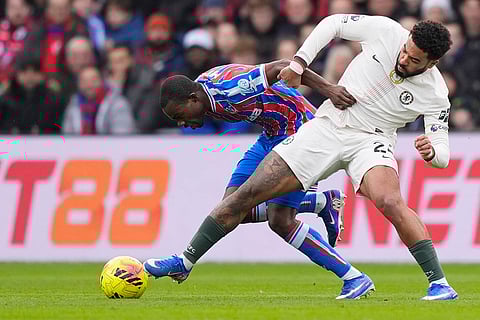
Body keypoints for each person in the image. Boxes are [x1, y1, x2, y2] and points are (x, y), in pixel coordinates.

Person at [145, 15, 459, 301]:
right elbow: (333, 24)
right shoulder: (387, 32)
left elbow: (442, 149)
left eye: (414, 59)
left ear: (431, 62)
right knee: (245, 197)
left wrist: (434, 154)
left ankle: (439, 283)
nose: (403, 58)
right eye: (405, 50)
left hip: (373, 139)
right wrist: (300, 61)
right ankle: (185, 262)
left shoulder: (435, 94)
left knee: (390, 202)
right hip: (326, 126)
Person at [144, 60, 377, 300]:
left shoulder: (232, 89)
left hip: (302, 132)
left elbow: (284, 67)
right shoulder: (204, 95)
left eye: (179, 116)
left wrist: (329, 89)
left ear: (193, 99)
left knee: (280, 220)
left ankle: (354, 278)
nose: (182, 124)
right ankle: (320, 203)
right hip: (272, 133)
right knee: (233, 211)